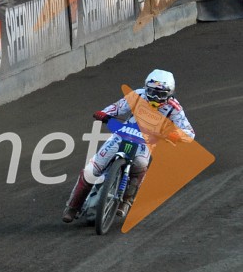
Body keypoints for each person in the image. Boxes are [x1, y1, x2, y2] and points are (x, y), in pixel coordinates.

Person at [62, 69, 195, 223]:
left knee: (141, 164)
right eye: (152, 92)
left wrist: (174, 134)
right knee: (90, 170)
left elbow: (189, 133)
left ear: (170, 93)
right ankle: (72, 207)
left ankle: (126, 201)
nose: (156, 98)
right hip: (122, 134)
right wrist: (104, 114)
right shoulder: (137, 95)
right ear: (146, 89)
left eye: (161, 94)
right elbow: (117, 108)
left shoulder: (174, 108)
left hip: (146, 141)